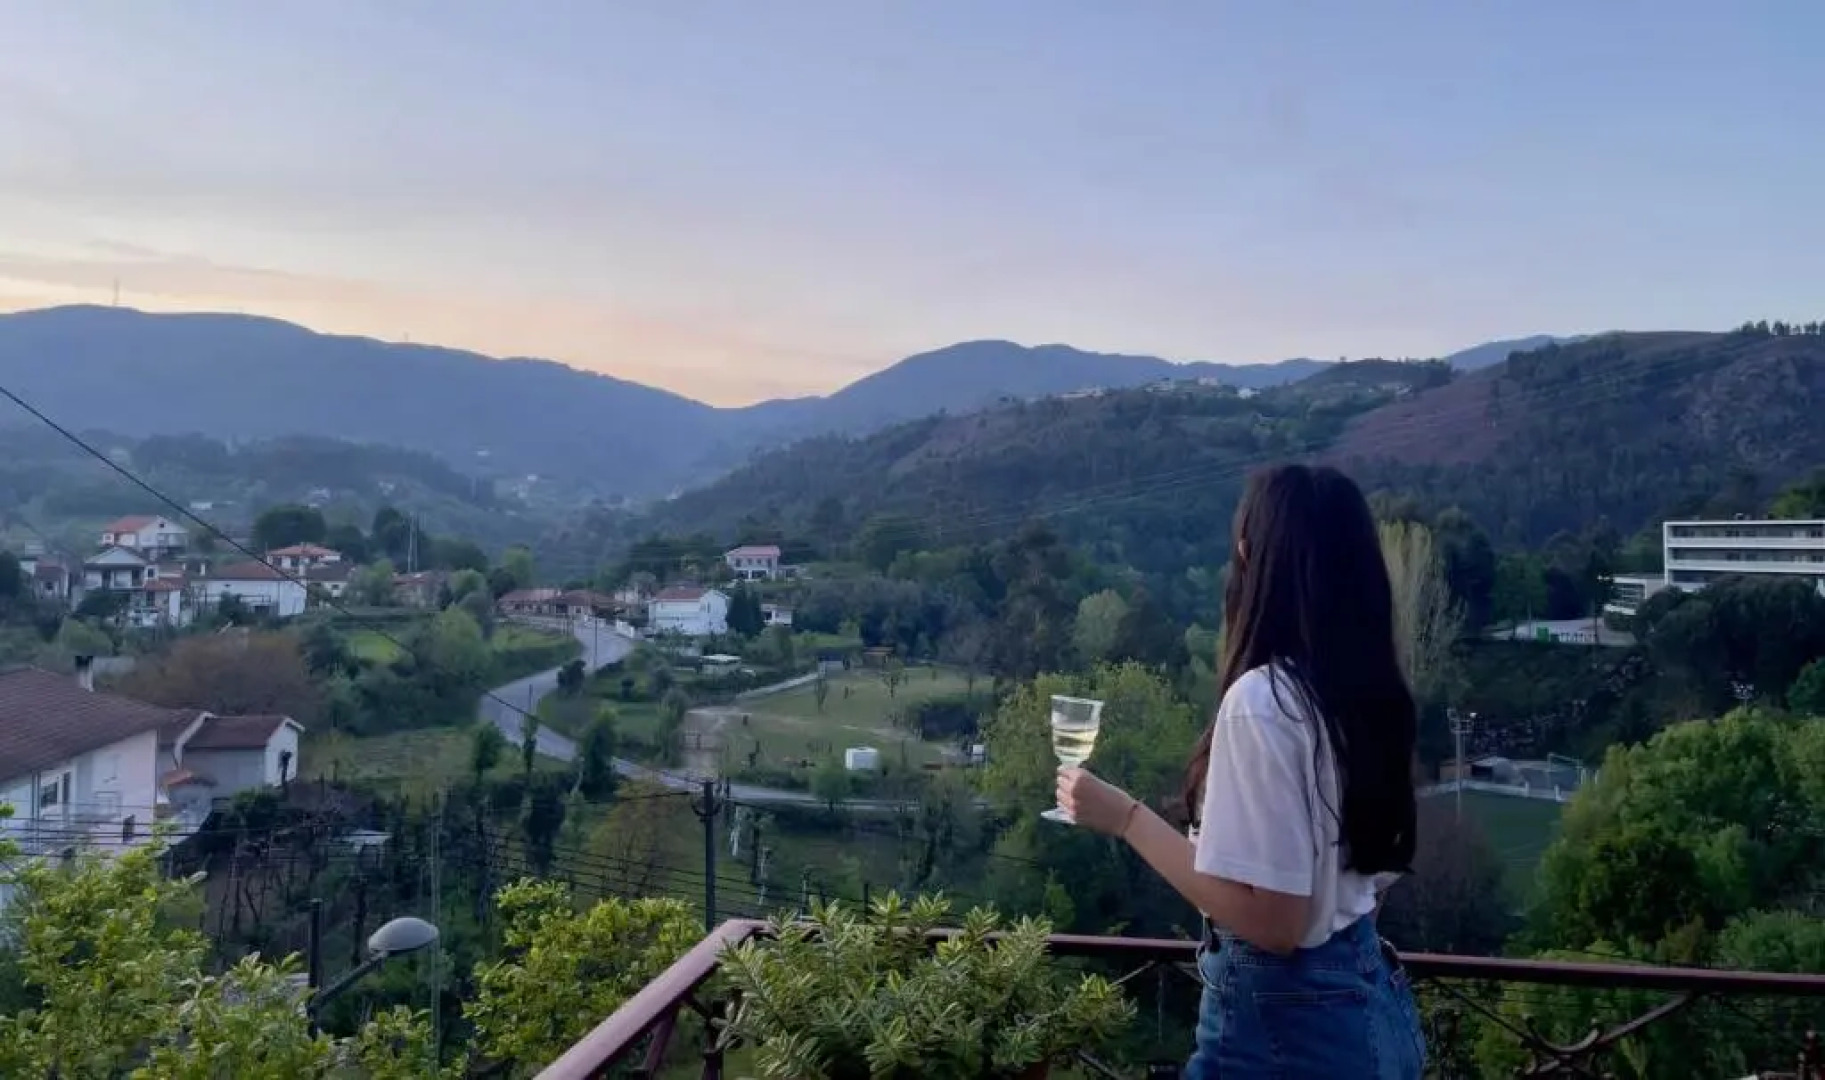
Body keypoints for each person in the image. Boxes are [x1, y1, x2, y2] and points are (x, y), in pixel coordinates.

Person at [1057, 463, 1425, 1078]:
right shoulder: (1360, 694)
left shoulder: (1265, 703)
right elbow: (1361, 880)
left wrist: (1126, 819)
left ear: (1250, 555)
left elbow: (1274, 924)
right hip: (1368, 1007)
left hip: (1285, 1031)